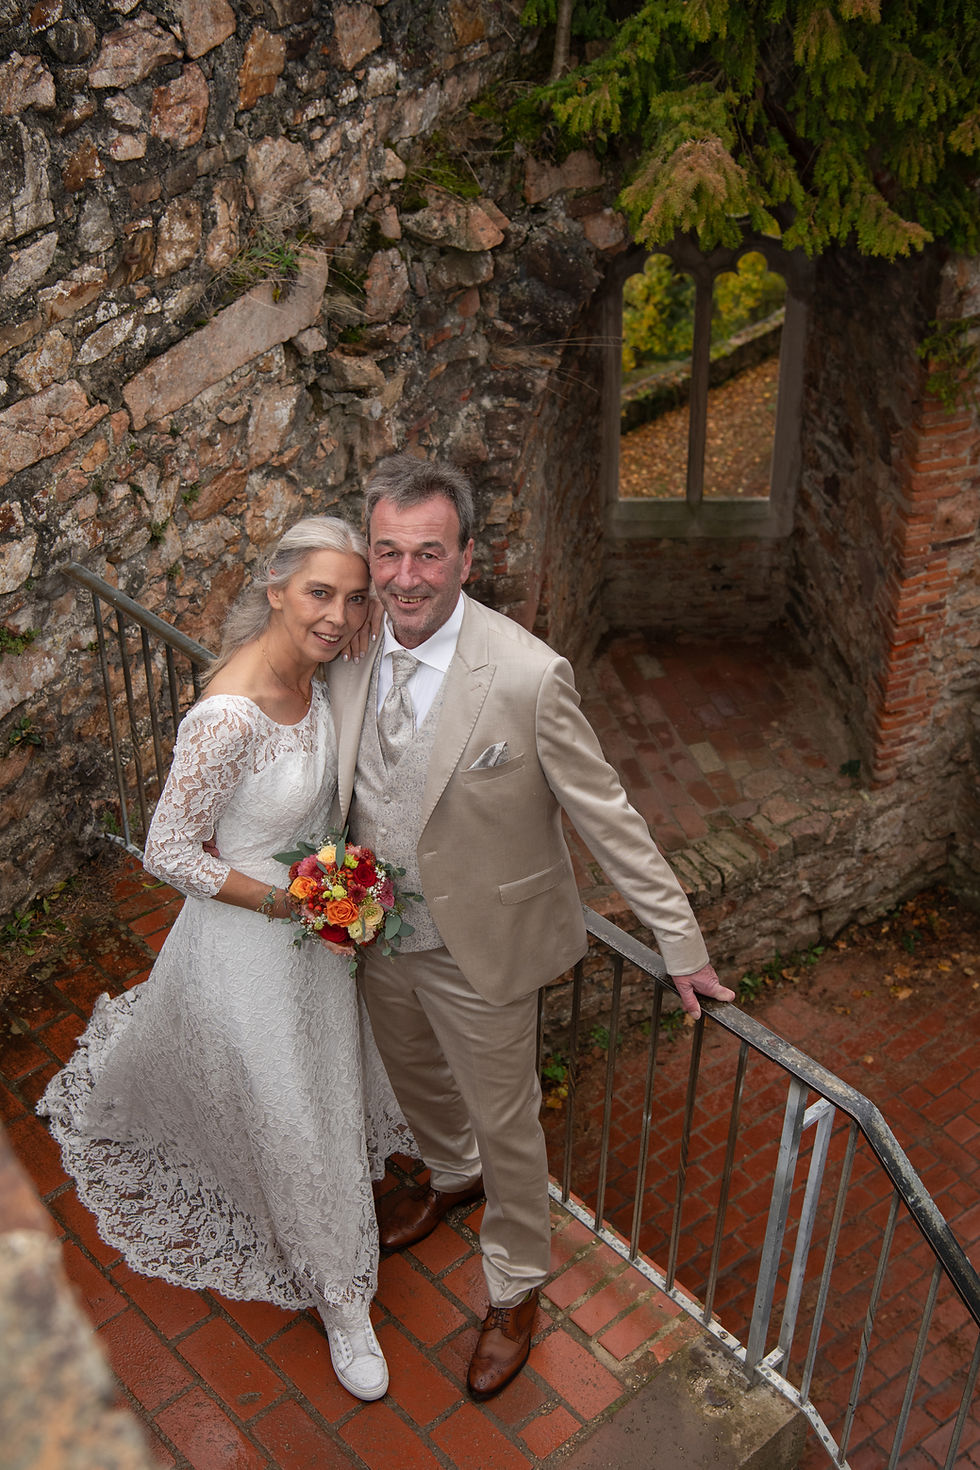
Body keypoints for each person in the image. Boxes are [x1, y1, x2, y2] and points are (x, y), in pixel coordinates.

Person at [326, 453, 735, 1402]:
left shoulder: (526, 675)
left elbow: (608, 814)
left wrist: (680, 942)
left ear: (469, 556)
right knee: (415, 1074)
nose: (405, 577)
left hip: (484, 952)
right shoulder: (352, 647)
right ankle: (445, 1171)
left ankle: (515, 1286)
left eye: (429, 554)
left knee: (510, 1127)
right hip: (375, 932)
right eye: (387, 553)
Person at [39, 516, 414, 1403]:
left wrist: (340, 891)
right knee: (287, 1102)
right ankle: (341, 1297)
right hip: (253, 935)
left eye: (352, 597)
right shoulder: (226, 717)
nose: (338, 614)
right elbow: (169, 850)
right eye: (320, 593)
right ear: (277, 588)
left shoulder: (323, 671)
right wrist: (291, 902)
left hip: (313, 934)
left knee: (322, 1073)